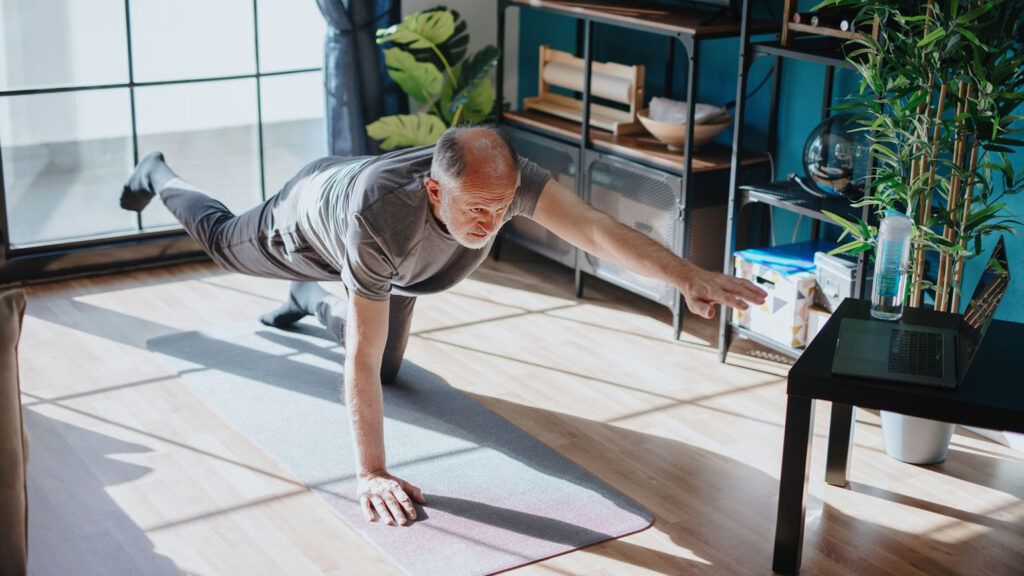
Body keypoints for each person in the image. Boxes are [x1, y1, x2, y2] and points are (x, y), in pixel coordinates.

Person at [120, 126, 766, 528]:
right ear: (434, 192)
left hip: (398, 265)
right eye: (477, 209)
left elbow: (597, 229)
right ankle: (161, 174)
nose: (493, 220)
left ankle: (309, 301)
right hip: (308, 220)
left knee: (396, 375)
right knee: (223, 243)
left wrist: (687, 276)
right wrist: (370, 471)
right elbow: (359, 363)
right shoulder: (381, 217)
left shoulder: (505, 182)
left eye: (502, 206)